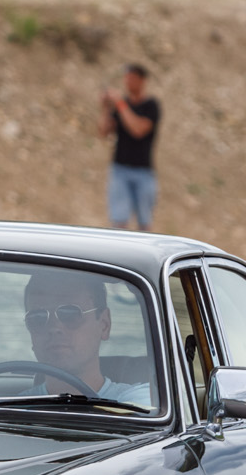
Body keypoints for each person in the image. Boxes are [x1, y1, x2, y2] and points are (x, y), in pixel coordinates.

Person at [22, 271, 153, 408]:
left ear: (104, 324)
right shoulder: (14, 408)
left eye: (70, 314)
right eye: (37, 318)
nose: (54, 328)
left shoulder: (136, 404)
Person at [100, 64, 161, 231]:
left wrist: (120, 104)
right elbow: (104, 131)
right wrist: (106, 108)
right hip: (120, 169)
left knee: (144, 223)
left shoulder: (151, 105)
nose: (128, 82)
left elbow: (138, 130)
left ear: (142, 80)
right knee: (119, 222)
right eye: (127, 78)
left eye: (132, 78)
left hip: (143, 171)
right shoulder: (122, 106)